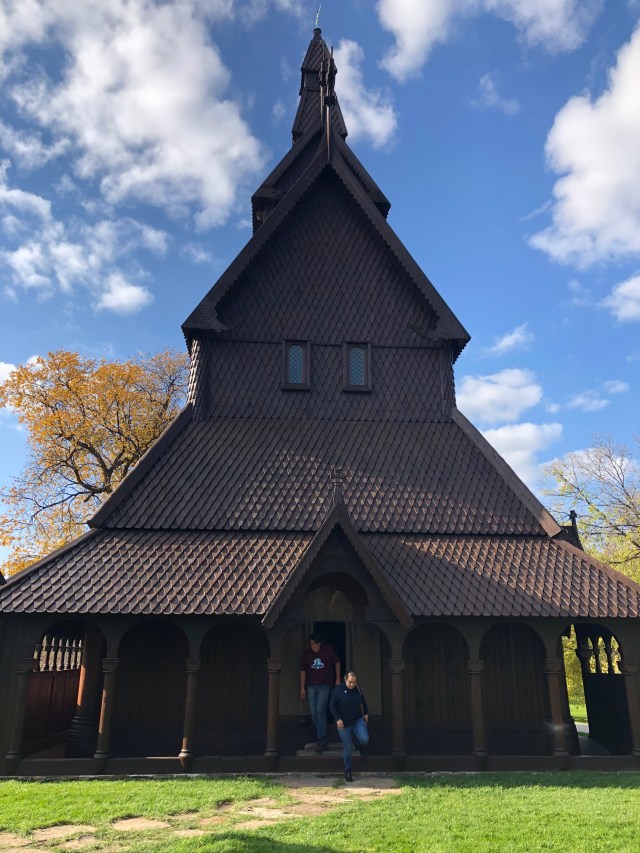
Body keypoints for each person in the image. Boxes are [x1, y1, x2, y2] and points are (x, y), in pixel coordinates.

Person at [299, 633, 341, 752]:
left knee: (320, 710)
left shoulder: (327, 651)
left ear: (320, 643)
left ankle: (321, 739)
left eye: (315, 643)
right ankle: (321, 734)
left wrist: (338, 679)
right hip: (311, 686)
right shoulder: (307, 654)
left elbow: (337, 662)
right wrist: (302, 687)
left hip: (324, 685)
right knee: (313, 712)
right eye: (311, 643)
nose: (313, 646)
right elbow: (303, 670)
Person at [329, 671, 369, 782]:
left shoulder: (357, 689)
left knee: (364, 739)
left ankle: (358, 744)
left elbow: (363, 700)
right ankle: (348, 770)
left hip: (357, 720)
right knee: (348, 747)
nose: (352, 684)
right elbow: (332, 705)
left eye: (354, 682)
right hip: (344, 723)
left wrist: (366, 713)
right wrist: (337, 719)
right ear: (345, 679)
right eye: (350, 682)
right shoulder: (338, 690)